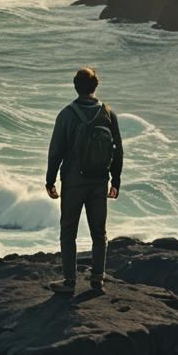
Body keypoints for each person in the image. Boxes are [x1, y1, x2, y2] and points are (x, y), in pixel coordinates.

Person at [45, 66, 123, 295]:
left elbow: (56, 151)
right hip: (99, 182)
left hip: (73, 182)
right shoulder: (108, 113)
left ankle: (69, 282)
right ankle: (97, 280)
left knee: (69, 231)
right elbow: (118, 150)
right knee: (99, 232)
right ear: (95, 86)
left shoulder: (67, 114)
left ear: (76, 87)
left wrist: (50, 180)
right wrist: (115, 181)